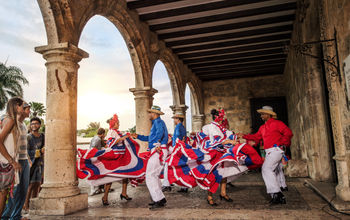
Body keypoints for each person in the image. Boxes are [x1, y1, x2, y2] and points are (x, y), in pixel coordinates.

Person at [77, 114, 145, 206]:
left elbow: (121, 140)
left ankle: (124, 193)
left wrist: (127, 136)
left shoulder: (117, 131)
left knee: (126, 173)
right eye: (118, 123)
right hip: (115, 157)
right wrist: (122, 138)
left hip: (121, 156)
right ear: (114, 124)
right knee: (110, 176)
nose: (119, 124)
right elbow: (110, 142)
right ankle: (105, 197)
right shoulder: (111, 132)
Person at [241, 106, 293, 205]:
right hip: (269, 151)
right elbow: (256, 137)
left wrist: (282, 144)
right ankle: (277, 195)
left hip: (276, 150)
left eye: (263, 114)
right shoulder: (262, 127)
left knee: (266, 169)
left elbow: (288, 133)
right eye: (261, 114)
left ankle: (278, 194)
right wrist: (243, 135)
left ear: (268, 114)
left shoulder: (278, 123)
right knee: (268, 170)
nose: (261, 116)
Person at [131, 105, 168, 210]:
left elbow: (159, 135)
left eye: (150, 113)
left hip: (158, 150)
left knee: (150, 175)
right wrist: (138, 136)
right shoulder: (157, 123)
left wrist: (157, 145)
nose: (149, 114)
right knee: (154, 175)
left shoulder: (158, 123)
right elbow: (150, 138)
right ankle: (160, 198)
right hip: (159, 149)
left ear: (154, 114)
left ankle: (158, 199)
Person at [2, 101, 31, 220]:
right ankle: (6, 216)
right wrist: (12, 161)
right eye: (27, 108)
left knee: (23, 190)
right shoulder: (9, 121)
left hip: (24, 160)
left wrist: (28, 158)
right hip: (15, 161)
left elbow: (22, 144)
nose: (29, 111)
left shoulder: (24, 125)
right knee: (13, 191)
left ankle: (16, 216)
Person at [0, 97, 23, 216]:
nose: (23, 108)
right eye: (21, 106)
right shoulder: (10, 120)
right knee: (3, 193)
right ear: (16, 106)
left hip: (5, 161)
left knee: (3, 192)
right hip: (4, 162)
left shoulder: (7, 119)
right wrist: (12, 161)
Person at [23, 117, 45, 212]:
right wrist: (39, 151)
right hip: (31, 163)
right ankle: (25, 205)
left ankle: (33, 204)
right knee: (30, 184)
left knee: (38, 184)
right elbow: (25, 151)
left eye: (36, 123)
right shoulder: (28, 137)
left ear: (40, 125)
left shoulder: (43, 136)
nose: (34, 125)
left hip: (40, 163)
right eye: (32, 124)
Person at [162, 113, 187, 193]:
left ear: (178, 119)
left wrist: (175, 142)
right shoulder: (183, 127)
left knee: (167, 164)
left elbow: (178, 136)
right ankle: (184, 186)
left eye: (175, 119)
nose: (174, 120)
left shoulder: (178, 127)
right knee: (182, 166)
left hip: (176, 148)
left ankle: (167, 185)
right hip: (181, 148)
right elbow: (182, 138)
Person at [89, 128, 105, 196]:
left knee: (95, 173)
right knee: (98, 173)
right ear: (103, 134)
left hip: (91, 158)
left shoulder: (94, 138)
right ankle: (95, 189)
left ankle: (98, 188)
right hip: (95, 158)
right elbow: (94, 148)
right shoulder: (98, 139)